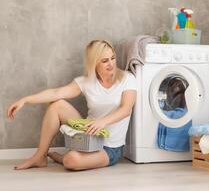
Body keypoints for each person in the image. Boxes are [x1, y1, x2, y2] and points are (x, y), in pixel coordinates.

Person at [7, 39, 137, 170]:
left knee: (70, 160)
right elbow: (56, 93)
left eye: (112, 58)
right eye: (105, 61)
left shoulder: (127, 78)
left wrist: (102, 122)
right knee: (56, 105)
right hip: (87, 137)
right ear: (94, 63)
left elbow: (126, 109)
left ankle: (64, 158)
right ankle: (40, 156)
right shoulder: (86, 82)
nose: (111, 64)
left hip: (110, 148)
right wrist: (25, 100)